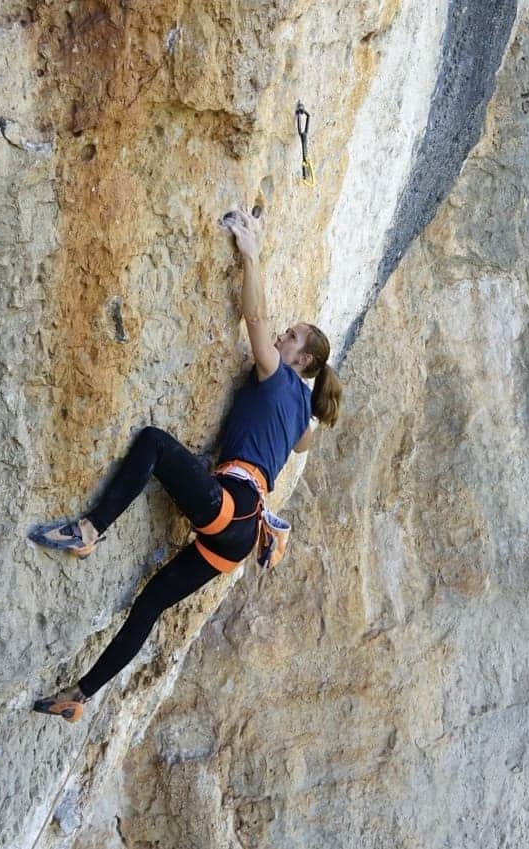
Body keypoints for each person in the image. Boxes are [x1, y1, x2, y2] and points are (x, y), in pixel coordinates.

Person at [30, 206, 342, 722]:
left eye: (292, 338)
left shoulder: (280, 379)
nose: (282, 337)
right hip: (239, 536)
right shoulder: (302, 417)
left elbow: (255, 319)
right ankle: (79, 696)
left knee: (153, 442)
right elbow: (304, 445)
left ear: (301, 361)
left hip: (234, 506)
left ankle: (89, 530)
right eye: (287, 333)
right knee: (150, 605)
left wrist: (252, 255)